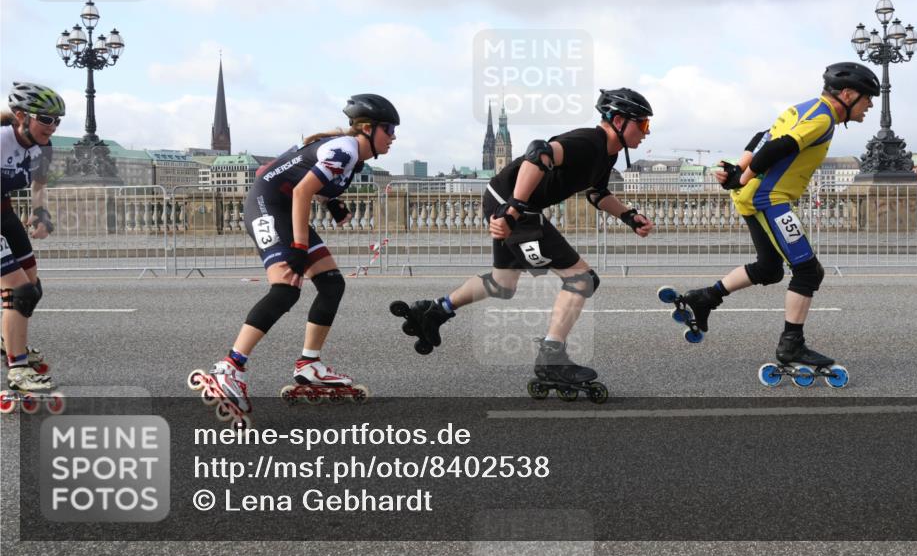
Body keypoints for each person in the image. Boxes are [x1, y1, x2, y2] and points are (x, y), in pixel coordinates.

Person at [391, 88, 654, 401]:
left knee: (503, 284)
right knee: (582, 279)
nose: (646, 133)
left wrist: (628, 215)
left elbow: (596, 193)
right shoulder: (588, 142)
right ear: (620, 121)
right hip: (515, 206)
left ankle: (435, 311)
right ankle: (551, 360)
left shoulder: (606, 153)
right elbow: (538, 153)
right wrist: (513, 210)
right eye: (644, 125)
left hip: (509, 202)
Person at [188, 94, 399, 422]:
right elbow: (299, 190)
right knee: (286, 288)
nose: (394, 136)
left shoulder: (355, 158)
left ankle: (309, 365)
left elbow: (299, 175)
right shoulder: (345, 150)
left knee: (331, 284)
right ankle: (228, 368)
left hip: (282, 206)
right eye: (389, 129)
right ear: (367, 129)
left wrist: (331, 202)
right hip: (268, 205)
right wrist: (300, 249)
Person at [676, 62, 881, 386]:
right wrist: (740, 176)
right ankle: (791, 346)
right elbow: (777, 146)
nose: (869, 106)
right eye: (868, 98)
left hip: (756, 196)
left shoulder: (803, 108)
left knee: (770, 268)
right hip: (769, 199)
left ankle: (705, 297)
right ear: (848, 94)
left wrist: (736, 170)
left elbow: (761, 138)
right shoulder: (824, 116)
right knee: (809, 271)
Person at [1, 82, 63, 409]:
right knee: (18, 292)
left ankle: (7, 337)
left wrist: (41, 214)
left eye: (58, 121)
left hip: (5, 212)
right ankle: (17, 369)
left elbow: (38, 188)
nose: (52, 127)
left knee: (34, 288)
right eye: (45, 119)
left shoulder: (45, 147)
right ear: (22, 116)